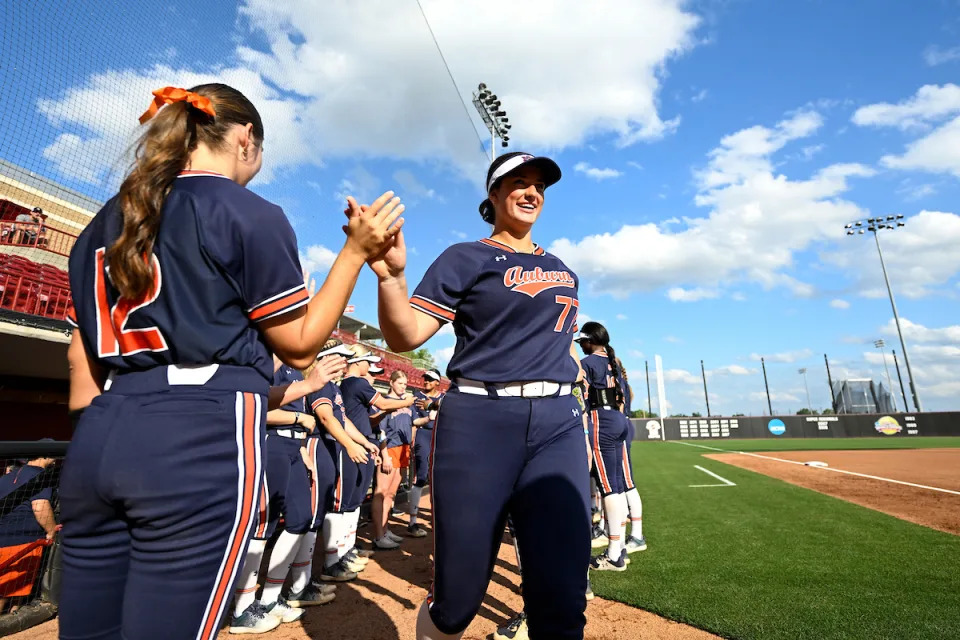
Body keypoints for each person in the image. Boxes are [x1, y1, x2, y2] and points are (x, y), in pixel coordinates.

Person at [60, 83, 403, 640]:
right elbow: (298, 344)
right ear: (246, 138)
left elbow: (82, 356)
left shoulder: (109, 215)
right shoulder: (245, 210)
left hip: (102, 428)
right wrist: (355, 253)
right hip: (196, 437)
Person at [368, 151, 590, 640]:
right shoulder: (464, 256)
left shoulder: (563, 270)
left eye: (540, 186)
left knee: (562, 594)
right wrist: (390, 278)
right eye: (519, 183)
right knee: (458, 601)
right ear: (493, 195)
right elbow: (405, 336)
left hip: (557, 422)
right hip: (480, 419)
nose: (532, 192)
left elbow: (557, 344)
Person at [339, 347, 415, 555]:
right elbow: (380, 409)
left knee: (359, 500)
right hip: (366, 446)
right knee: (355, 500)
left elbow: (373, 418)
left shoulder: (351, 384)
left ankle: (351, 547)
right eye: (369, 368)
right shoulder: (357, 383)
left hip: (366, 443)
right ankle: (346, 550)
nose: (371, 373)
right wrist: (406, 402)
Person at [576, 322, 630, 571]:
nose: (582, 346)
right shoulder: (613, 362)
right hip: (619, 419)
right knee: (616, 487)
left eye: (582, 342)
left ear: (589, 341)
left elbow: (582, 398)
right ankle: (619, 548)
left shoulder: (588, 363)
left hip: (601, 420)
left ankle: (614, 553)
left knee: (608, 489)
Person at [0, 456, 58, 614]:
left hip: (4, 538)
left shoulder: (8, 476)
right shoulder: (40, 474)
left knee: (14, 594)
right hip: (24, 542)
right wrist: (52, 531)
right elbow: (40, 507)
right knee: (6, 593)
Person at [372, 371, 416, 548]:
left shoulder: (407, 403)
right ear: (391, 383)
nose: (403, 387)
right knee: (381, 491)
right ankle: (378, 536)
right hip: (389, 449)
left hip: (403, 449)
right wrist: (385, 456)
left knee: (391, 493)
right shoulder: (385, 402)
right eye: (400, 383)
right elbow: (380, 431)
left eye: (405, 384)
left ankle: (385, 529)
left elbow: (413, 424)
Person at [615, 357, 646, 553]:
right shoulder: (621, 382)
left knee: (626, 482)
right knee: (618, 482)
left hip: (619, 426)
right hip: (620, 425)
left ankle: (637, 535)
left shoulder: (619, 382)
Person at [408, 368, 443, 537]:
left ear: (438, 382)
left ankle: (439, 519)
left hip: (441, 437)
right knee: (421, 476)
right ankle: (413, 521)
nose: (427, 381)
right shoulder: (417, 397)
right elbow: (414, 420)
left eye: (430, 379)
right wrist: (429, 417)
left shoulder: (443, 398)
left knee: (440, 478)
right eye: (425, 378)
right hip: (424, 434)